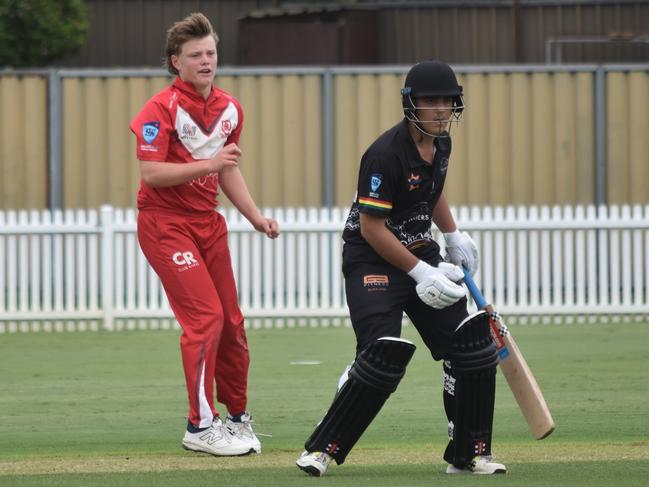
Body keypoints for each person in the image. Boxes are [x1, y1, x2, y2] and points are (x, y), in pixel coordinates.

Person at [295, 60, 506, 476]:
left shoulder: (441, 143)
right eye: (431, 101)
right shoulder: (383, 154)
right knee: (382, 355)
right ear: (411, 104)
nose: (441, 109)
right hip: (371, 258)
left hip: (419, 250)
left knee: (472, 345)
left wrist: (452, 235)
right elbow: (372, 228)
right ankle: (322, 447)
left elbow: (433, 191)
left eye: (448, 101)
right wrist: (422, 273)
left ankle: (469, 453)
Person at [129, 12, 279, 457]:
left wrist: (254, 216)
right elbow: (152, 173)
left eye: (210, 52)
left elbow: (228, 171)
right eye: (195, 55)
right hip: (164, 224)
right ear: (177, 62)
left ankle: (236, 419)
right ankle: (199, 424)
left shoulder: (231, 109)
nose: (205, 60)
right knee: (205, 319)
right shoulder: (159, 108)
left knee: (232, 323)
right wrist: (211, 165)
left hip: (208, 225)